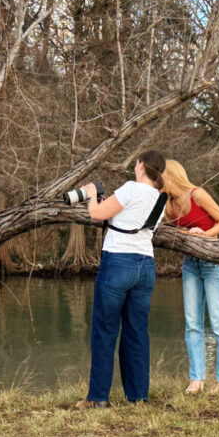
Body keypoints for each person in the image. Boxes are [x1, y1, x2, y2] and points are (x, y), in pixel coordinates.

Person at [75, 150, 167, 408]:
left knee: (104, 331)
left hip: (118, 263)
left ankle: (98, 398)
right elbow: (128, 220)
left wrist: (92, 196)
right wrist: (108, 203)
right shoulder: (161, 199)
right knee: (137, 332)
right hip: (145, 266)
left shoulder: (130, 188)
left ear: (141, 166)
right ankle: (138, 397)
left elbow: (96, 214)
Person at [163, 160, 219, 393]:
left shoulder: (198, 195)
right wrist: (184, 233)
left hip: (214, 262)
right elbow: (173, 231)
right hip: (190, 264)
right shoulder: (167, 205)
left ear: (170, 176)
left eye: (159, 178)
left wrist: (204, 235)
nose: (156, 183)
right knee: (192, 323)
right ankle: (196, 379)